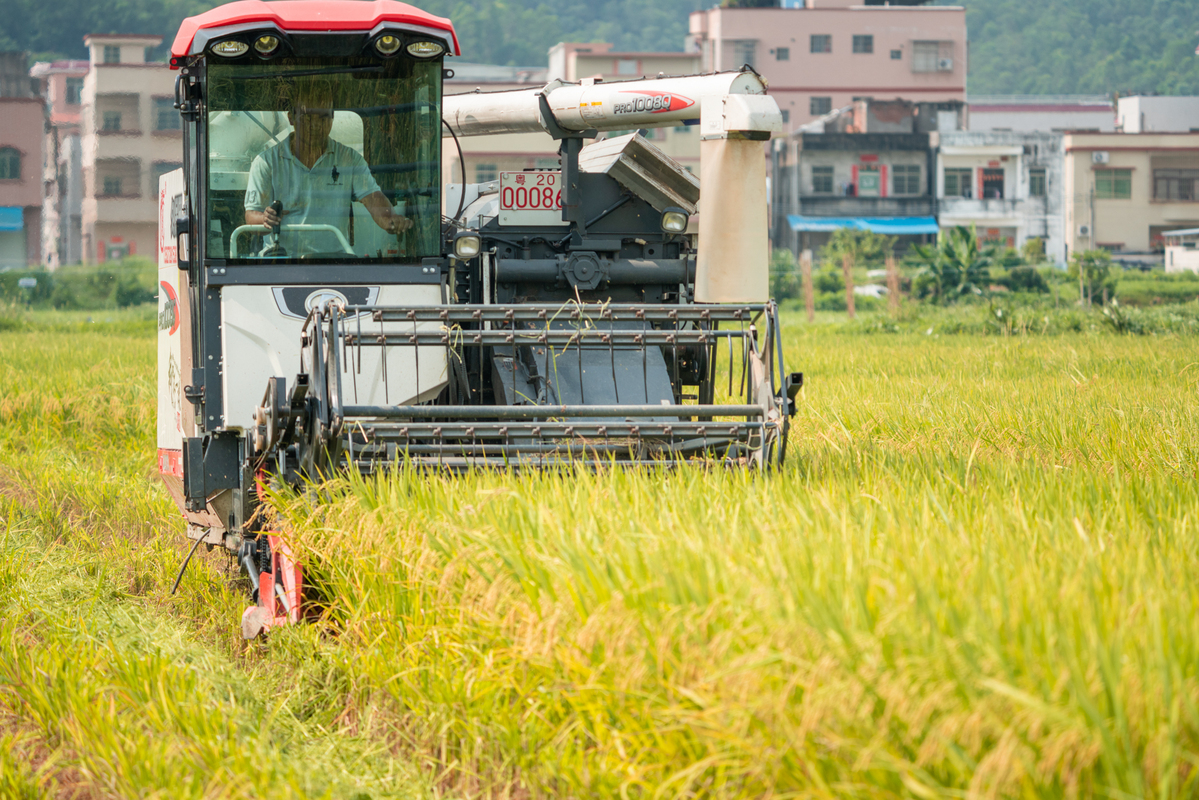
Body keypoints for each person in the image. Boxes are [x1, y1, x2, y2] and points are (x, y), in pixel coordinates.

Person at [244, 79, 412, 255]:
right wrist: (265, 219)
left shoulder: (350, 159)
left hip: (334, 261)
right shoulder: (266, 162)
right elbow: (251, 218)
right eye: (307, 117)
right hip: (282, 262)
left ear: (332, 119)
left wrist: (389, 220)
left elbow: (372, 197)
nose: (316, 125)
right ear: (291, 118)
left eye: (324, 117)